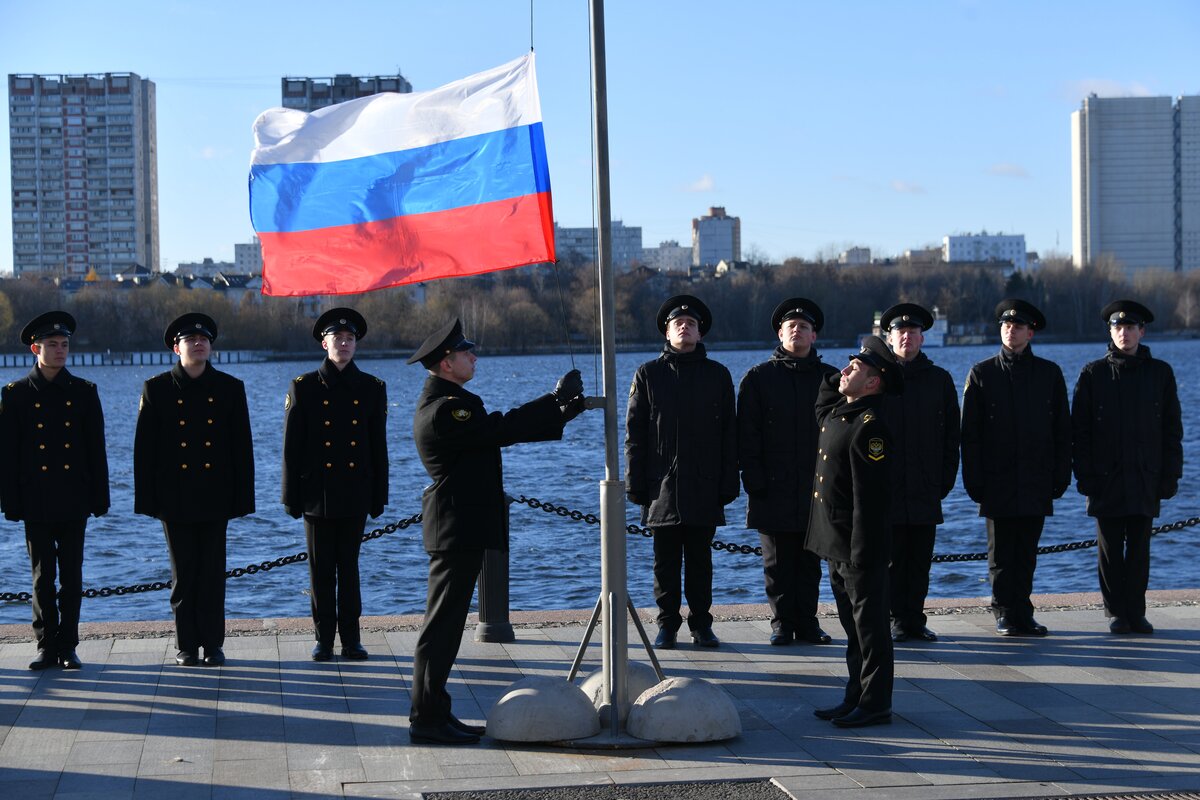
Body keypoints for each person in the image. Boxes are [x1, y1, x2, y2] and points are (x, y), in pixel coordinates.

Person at [406, 318, 585, 745]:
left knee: (446, 627)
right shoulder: (447, 409)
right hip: (456, 527)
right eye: (467, 351)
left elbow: (494, 437)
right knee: (441, 628)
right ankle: (426, 718)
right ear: (446, 362)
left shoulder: (449, 403)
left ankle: (435, 712)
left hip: (459, 524)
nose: (474, 356)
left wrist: (560, 413)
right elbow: (498, 430)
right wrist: (553, 399)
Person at [134, 313, 254, 667]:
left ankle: (213, 644)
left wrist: (242, 499)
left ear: (211, 346)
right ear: (177, 348)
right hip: (175, 499)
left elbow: (241, 449)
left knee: (213, 574)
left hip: (216, 496)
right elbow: (145, 451)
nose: (198, 344)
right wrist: (147, 501)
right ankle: (186, 644)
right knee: (183, 575)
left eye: (204, 339)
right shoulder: (156, 389)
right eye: (190, 340)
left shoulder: (230, 388)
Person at [625, 295, 738, 650]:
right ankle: (667, 625)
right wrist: (635, 484)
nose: (685, 327)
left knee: (701, 563)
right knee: (665, 564)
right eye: (678, 323)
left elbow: (729, 435)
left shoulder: (718, 375)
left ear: (700, 332)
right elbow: (635, 435)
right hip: (662, 487)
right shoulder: (648, 374)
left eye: (691, 323)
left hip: (705, 484)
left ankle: (702, 625)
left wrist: (728, 482)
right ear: (667, 331)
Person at [0, 312, 109, 671]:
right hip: (36, 499)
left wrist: (100, 497)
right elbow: (8, 454)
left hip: (73, 497)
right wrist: (10, 502)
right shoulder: (14, 396)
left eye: (64, 345)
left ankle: (69, 645)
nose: (60, 351)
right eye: (52, 345)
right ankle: (46, 645)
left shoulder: (83, 392)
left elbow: (96, 450)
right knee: (42, 576)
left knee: (73, 575)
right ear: (36, 349)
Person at [805, 335, 903, 728]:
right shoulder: (840, 413)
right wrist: (851, 369)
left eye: (856, 368)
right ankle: (855, 694)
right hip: (836, 542)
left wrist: (864, 553)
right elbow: (823, 396)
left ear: (874, 383)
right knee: (851, 627)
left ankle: (876, 702)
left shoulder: (870, 427)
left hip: (859, 547)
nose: (844, 370)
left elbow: (872, 500)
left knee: (871, 629)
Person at [1071, 300, 1183, 635]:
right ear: (1110, 332)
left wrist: (1170, 475)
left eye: (1131, 327)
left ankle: (1137, 610)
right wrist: (1085, 475)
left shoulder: (1160, 373)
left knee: (1139, 549)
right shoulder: (1093, 374)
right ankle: (1116, 612)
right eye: (1118, 328)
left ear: (1142, 332)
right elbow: (1080, 431)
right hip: (1105, 479)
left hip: (1145, 476)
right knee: (1108, 550)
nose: (1124, 333)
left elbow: (1172, 430)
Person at [283, 308, 388, 662]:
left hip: (355, 492)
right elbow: (291, 449)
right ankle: (323, 639)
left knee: (351, 569)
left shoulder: (372, 388)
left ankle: (352, 640)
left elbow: (378, 447)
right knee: (320, 571)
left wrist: (380, 495)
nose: (344, 344)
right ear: (324, 343)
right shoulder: (304, 387)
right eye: (337, 339)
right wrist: (290, 497)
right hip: (317, 495)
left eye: (350, 339)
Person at [961, 299, 1070, 637]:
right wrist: (974, 480)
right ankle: (1004, 611)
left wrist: (1061, 474)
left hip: (1036, 477)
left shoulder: (1049, 374)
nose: (1011, 330)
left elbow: (1061, 430)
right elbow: (970, 434)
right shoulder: (983, 373)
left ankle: (1023, 610)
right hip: (997, 479)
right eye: (1006, 325)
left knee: (1026, 551)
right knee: (1001, 553)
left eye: (1018, 326)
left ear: (1030, 332)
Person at [737, 298, 836, 646]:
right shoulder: (758, 378)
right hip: (771, 486)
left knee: (811, 562)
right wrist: (754, 481)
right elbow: (746, 436)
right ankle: (781, 624)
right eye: (790, 326)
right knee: (776, 564)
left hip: (817, 487)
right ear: (780, 333)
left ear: (814, 335)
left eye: (804, 326)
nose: (797, 330)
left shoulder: (832, 379)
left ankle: (808, 623)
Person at [877, 304, 960, 643]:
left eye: (913, 332)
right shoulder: (877, 379)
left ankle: (915, 618)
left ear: (922, 337)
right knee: (891, 560)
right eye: (900, 332)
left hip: (925, 485)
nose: (906, 337)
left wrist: (944, 480)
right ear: (890, 337)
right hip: (887, 488)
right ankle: (896, 619)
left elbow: (951, 435)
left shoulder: (938, 380)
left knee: (920, 561)